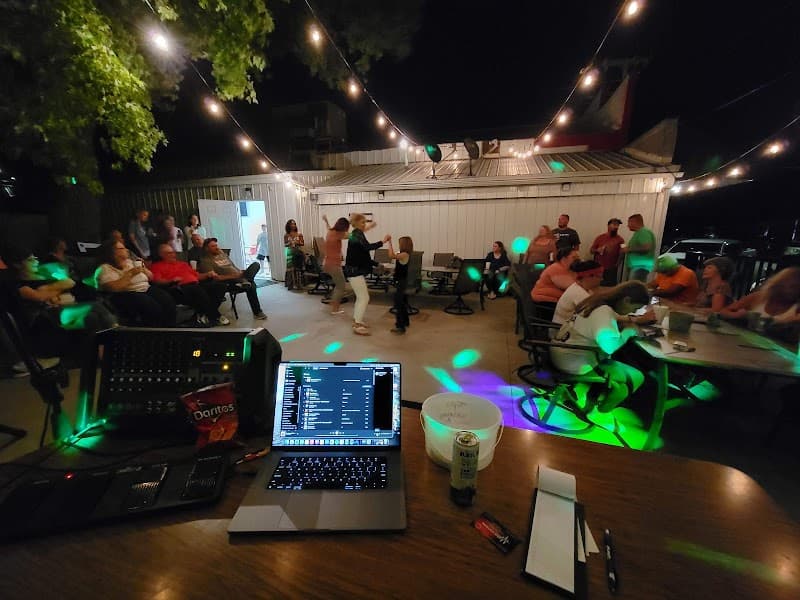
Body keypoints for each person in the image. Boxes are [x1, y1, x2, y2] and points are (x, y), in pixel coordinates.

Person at [551, 281, 653, 413]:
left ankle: (593, 401)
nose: (632, 312)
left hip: (561, 352)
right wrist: (629, 332)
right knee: (637, 376)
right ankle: (602, 410)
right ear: (626, 300)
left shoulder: (595, 302)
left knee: (618, 367)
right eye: (634, 309)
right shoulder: (603, 313)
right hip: (573, 363)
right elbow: (609, 347)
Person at [4, 245, 117, 360]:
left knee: (95, 310)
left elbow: (69, 283)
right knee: (92, 314)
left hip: (56, 311)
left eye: (35, 258)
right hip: (42, 319)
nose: (35, 262)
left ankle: (112, 342)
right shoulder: (18, 285)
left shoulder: (40, 278)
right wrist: (55, 288)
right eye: (30, 260)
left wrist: (49, 289)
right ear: (17, 264)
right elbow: (40, 297)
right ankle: (107, 347)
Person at [96, 239, 177, 327]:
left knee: (167, 300)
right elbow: (113, 288)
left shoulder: (130, 262)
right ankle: (153, 333)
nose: (126, 250)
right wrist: (131, 273)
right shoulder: (104, 268)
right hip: (125, 294)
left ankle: (170, 330)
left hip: (145, 288)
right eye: (121, 248)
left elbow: (151, 277)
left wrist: (144, 269)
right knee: (151, 306)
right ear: (112, 252)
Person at [150, 244, 230, 326]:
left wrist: (207, 274)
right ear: (161, 255)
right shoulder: (157, 266)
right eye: (168, 253)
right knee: (196, 289)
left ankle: (203, 315)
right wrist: (170, 280)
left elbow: (197, 276)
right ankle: (214, 315)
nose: (173, 254)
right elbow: (157, 281)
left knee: (220, 286)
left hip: (196, 285)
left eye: (173, 252)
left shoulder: (182, 264)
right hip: (178, 289)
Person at [720, 266, 800, 342]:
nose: (790, 289)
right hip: (744, 342)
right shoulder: (758, 297)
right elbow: (723, 311)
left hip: (779, 351)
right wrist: (737, 315)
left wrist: (791, 322)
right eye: (790, 285)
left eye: (795, 286)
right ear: (779, 283)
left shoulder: (797, 308)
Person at [198, 238, 266, 320]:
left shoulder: (222, 255)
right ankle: (257, 312)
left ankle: (245, 281)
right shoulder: (206, 261)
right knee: (251, 285)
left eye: (216, 245)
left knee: (256, 264)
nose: (216, 247)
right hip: (228, 281)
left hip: (239, 276)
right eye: (213, 246)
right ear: (207, 248)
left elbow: (233, 266)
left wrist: (240, 272)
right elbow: (216, 278)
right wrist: (235, 276)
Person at [345, 213, 390, 336]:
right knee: (364, 298)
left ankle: (357, 320)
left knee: (361, 297)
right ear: (357, 223)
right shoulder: (357, 235)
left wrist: (377, 264)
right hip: (354, 272)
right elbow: (368, 247)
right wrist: (383, 241)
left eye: (365, 222)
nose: (365, 224)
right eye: (363, 222)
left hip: (354, 271)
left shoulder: (357, 235)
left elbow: (364, 256)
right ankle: (357, 324)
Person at [322, 215, 350, 316]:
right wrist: (365, 228)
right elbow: (351, 235)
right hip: (334, 265)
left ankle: (334, 303)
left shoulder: (330, 232)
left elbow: (328, 227)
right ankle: (335, 309)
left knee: (339, 285)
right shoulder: (339, 234)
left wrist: (326, 221)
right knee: (341, 285)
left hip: (327, 264)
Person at [387, 236, 413, 335]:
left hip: (402, 282)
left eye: (400, 243)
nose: (399, 244)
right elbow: (400, 267)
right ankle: (406, 321)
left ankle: (400, 326)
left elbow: (391, 255)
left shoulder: (405, 254)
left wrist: (389, 242)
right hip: (401, 280)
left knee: (398, 303)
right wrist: (392, 271)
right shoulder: (403, 255)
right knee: (402, 303)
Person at [590, 218, 626, 286]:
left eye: (618, 225)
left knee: (610, 288)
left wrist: (617, 264)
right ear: (608, 225)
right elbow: (591, 250)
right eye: (614, 224)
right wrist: (597, 250)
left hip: (611, 269)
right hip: (599, 267)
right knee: (597, 286)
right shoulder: (600, 237)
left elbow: (624, 251)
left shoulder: (621, 240)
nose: (616, 227)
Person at [623, 213, 655, 282]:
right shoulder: (639, 233)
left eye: (629, 222)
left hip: (640, 267)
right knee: (634, 289)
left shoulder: (643, 232)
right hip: (638, 266)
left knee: (633, 289)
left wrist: (629, 249)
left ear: (634, 222)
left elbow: (647, 247)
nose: (627, 225)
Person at [284, 219, 305, 290]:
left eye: (294, 224)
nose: (293, 225)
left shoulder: (299, 234)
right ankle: (290, 285)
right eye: (291, 224)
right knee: (290, 269)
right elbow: (285, 244)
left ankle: (299, 284)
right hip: (289, 252)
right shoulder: (286, 235)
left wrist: (297, 242)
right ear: (288, 225)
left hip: (298, 252)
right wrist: (289, 243)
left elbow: (302, 243)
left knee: (298, 268)